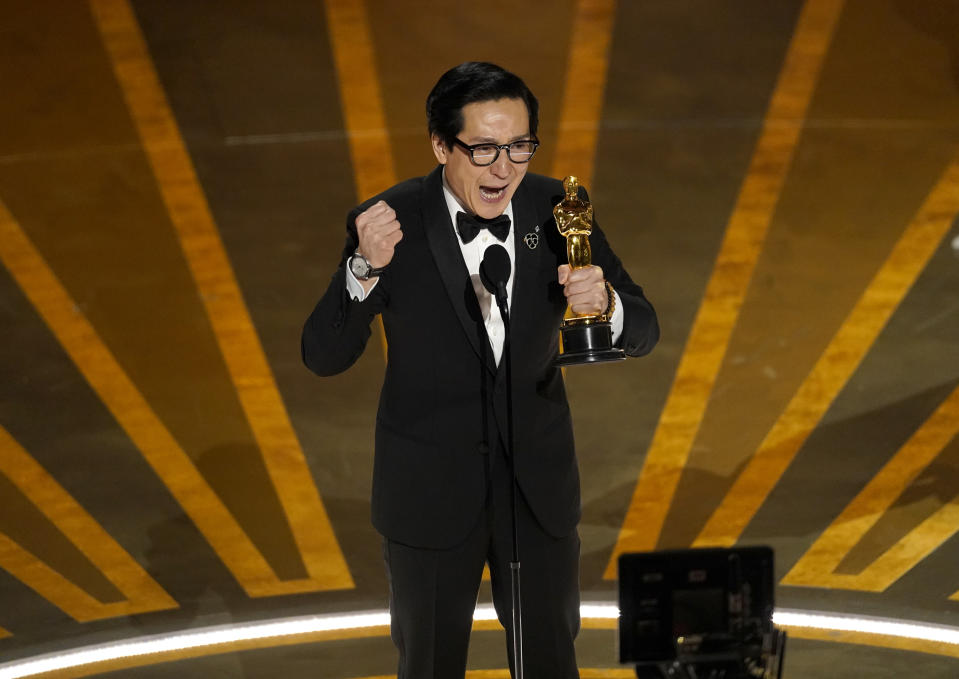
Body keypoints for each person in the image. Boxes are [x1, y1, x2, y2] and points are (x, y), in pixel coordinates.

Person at [302, 61, 658, 679]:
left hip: (536, 494)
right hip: (429, 498)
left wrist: (609, 305)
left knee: (550, 664)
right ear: (441, 145)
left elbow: (645, 327)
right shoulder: (389, 222)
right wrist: (362, 270)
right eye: (485, 149)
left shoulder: (558, 208)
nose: (504, 169)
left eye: (520, 147)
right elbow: (323, 356)